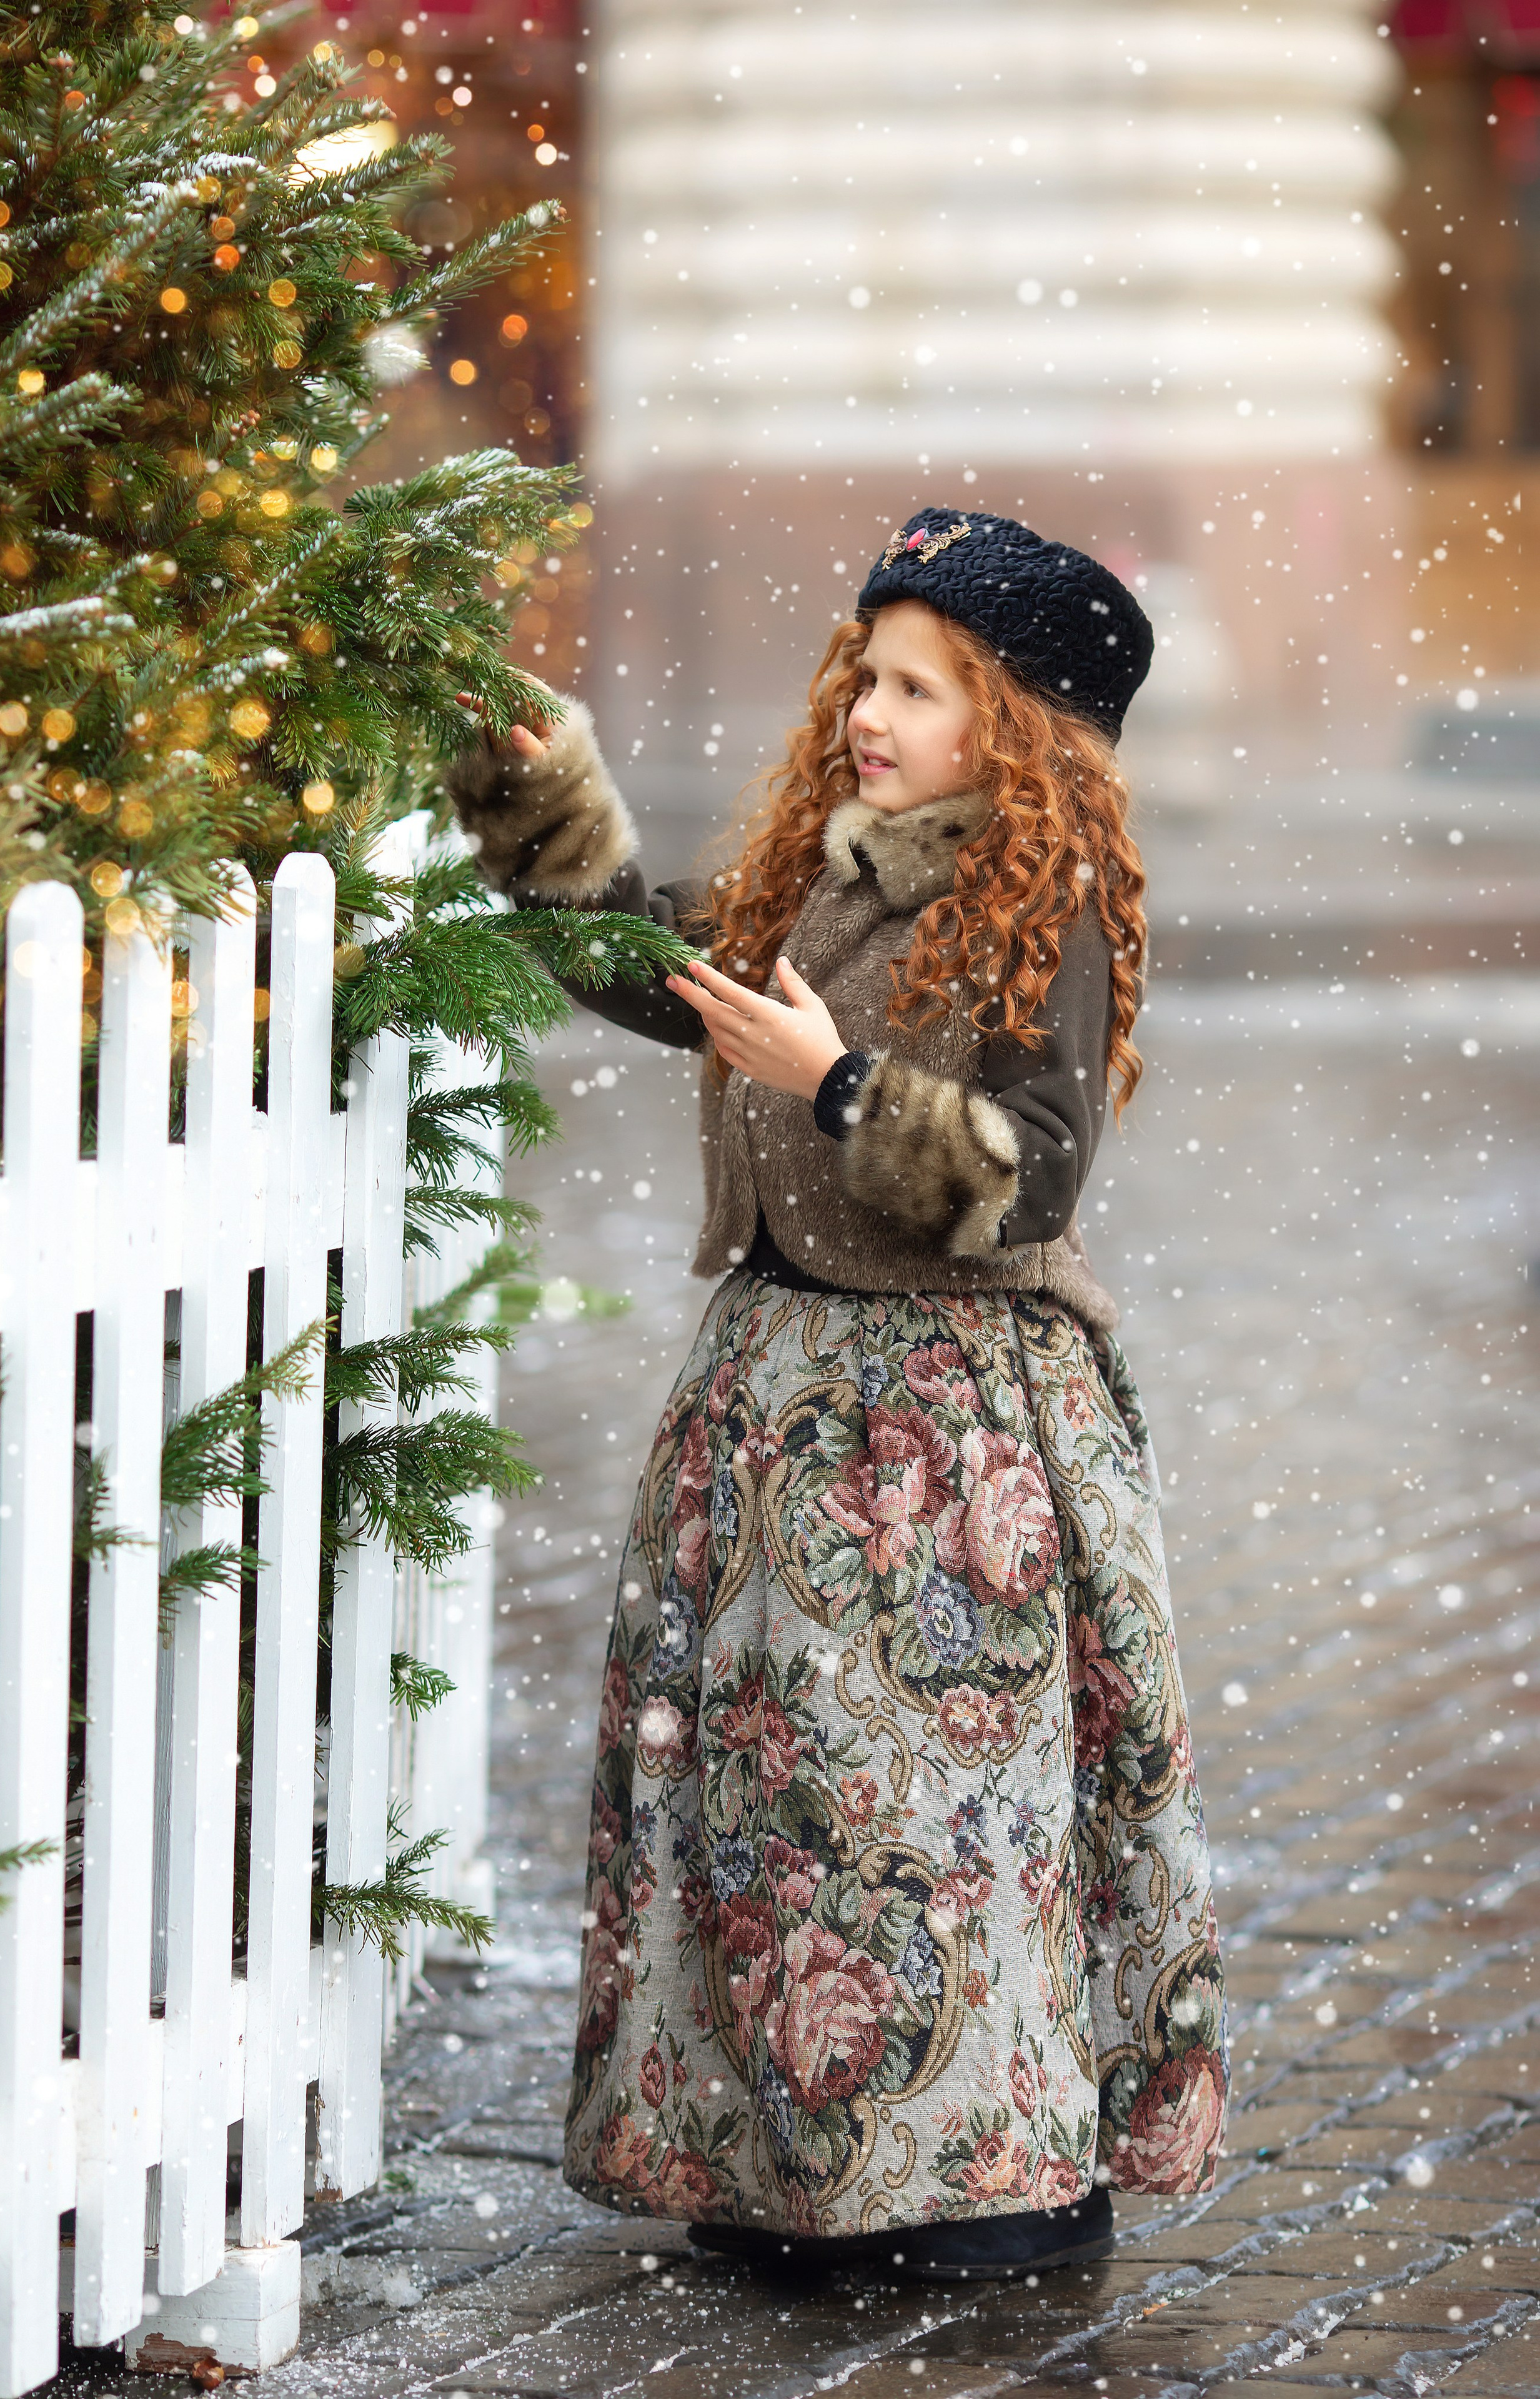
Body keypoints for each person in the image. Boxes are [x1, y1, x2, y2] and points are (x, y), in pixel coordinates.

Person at [447, 507, 1227, 2284]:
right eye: (863, 676)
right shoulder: (836, 872)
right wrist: (541, 803)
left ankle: (979, 2187)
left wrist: (839, 1085)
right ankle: (794, 2170)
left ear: (1014, 721)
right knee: (778, 1808)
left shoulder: (1058, 899)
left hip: (948, 1438)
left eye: (917, 689)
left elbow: (1029, 1178)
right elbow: (665, 971)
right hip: (782, 1394)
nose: (867, 712)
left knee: (941, 1814)